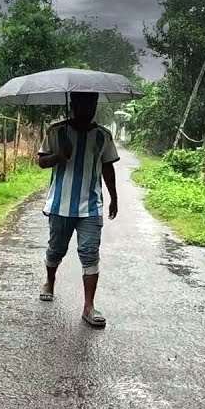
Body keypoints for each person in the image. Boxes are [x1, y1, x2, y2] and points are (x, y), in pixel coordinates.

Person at [36, 91, 120, 327]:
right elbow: (41, 162)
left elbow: (108, 168)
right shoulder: (56, 132)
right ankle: (50, 282)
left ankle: (88, 307)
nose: (88, 108)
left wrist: (114, 197)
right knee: (56, 250)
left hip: (91, 207)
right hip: (60, 205)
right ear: (73, 105)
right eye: (83, 103)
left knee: (90, 253)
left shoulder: (103, 136)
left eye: (92, 103)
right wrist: (59, 155)